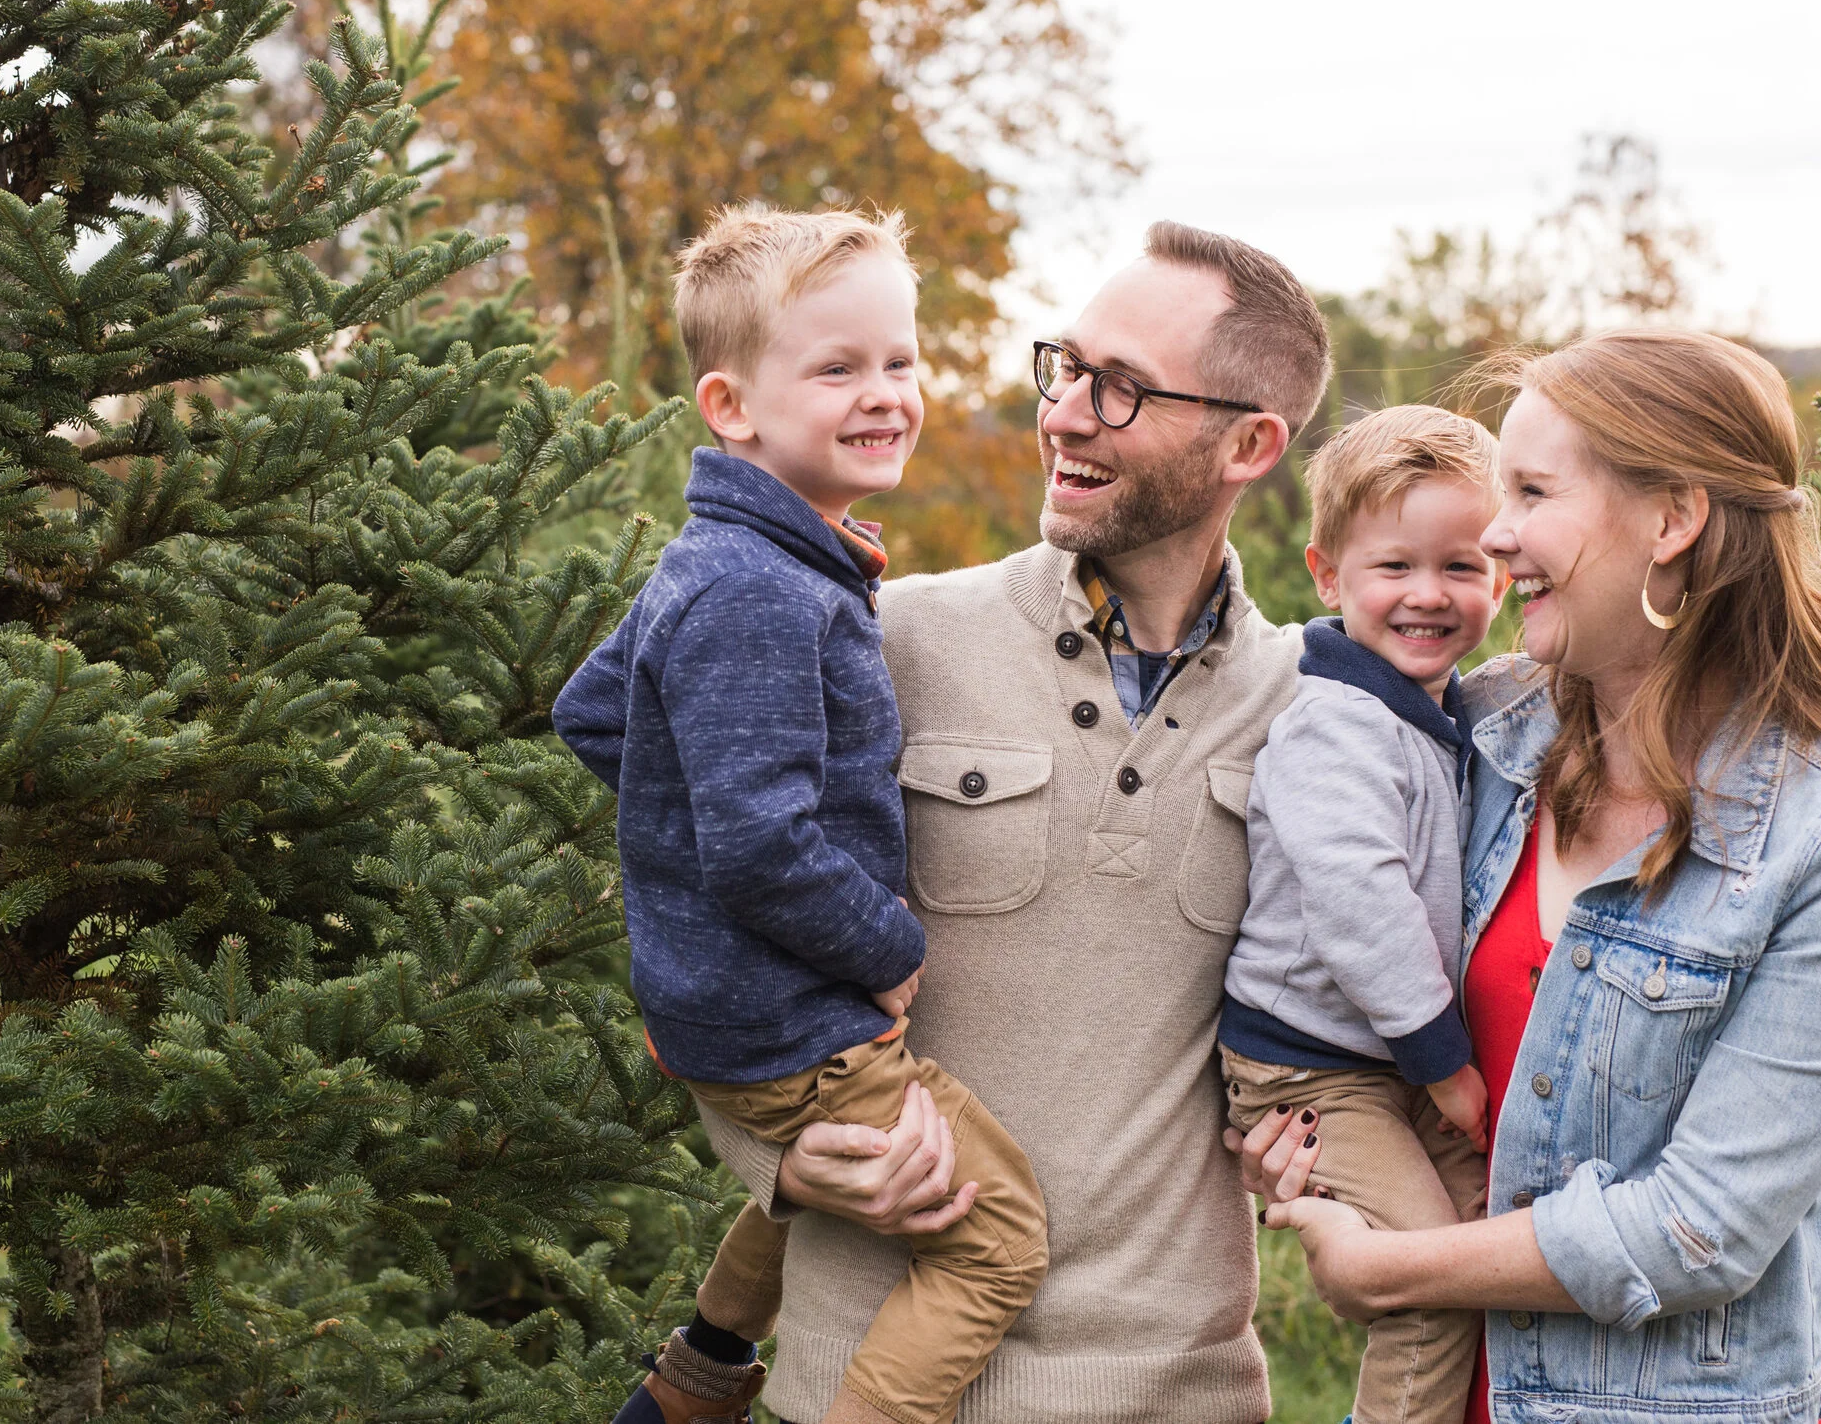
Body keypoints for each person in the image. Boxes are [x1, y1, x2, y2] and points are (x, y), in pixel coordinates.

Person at [1238, 329, 1821, 1424]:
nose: (1495, 530)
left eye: (1529, 490)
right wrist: (1312, 1141)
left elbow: (1699, 1225)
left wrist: (1388, 1267)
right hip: (1437, 1390)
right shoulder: (1479, 730)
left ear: (1671, 519)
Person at [696, 221, 1334, 1424]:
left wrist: (1323, 1131)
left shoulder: (1313, 710)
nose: (1066, 413)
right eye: (1067, 367)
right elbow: (701, 909)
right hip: (866, 1385)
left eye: (1123, 388)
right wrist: (773, 1158)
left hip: (1179, 1392)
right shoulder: (887, 640)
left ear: (1250, 443)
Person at [554, 205, 1048, 1424]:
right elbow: (760, 842)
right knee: (998, 1236)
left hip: (732, 1006)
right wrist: (885, 949)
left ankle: (690, 1383)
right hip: (791, 1026)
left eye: (898, 361)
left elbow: (595, 712)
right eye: (837, 368)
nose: (884, 393)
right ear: (734, 405)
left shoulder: (731, 549)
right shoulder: (761, 592)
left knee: (812, 1197)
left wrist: (683, 887)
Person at [1217, 404, 1505, 1424]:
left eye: (1461, 566)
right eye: (1394, 567)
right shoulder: (1336, 721)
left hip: (1374, 1054)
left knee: (1492, 1235)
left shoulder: (1443, 709)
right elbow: (1358, 902)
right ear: (1328, 574)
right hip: (1310, 1063)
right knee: (1423, 1284)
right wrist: (1444, 1064)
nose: (1428, 594)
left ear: (1502, 574)